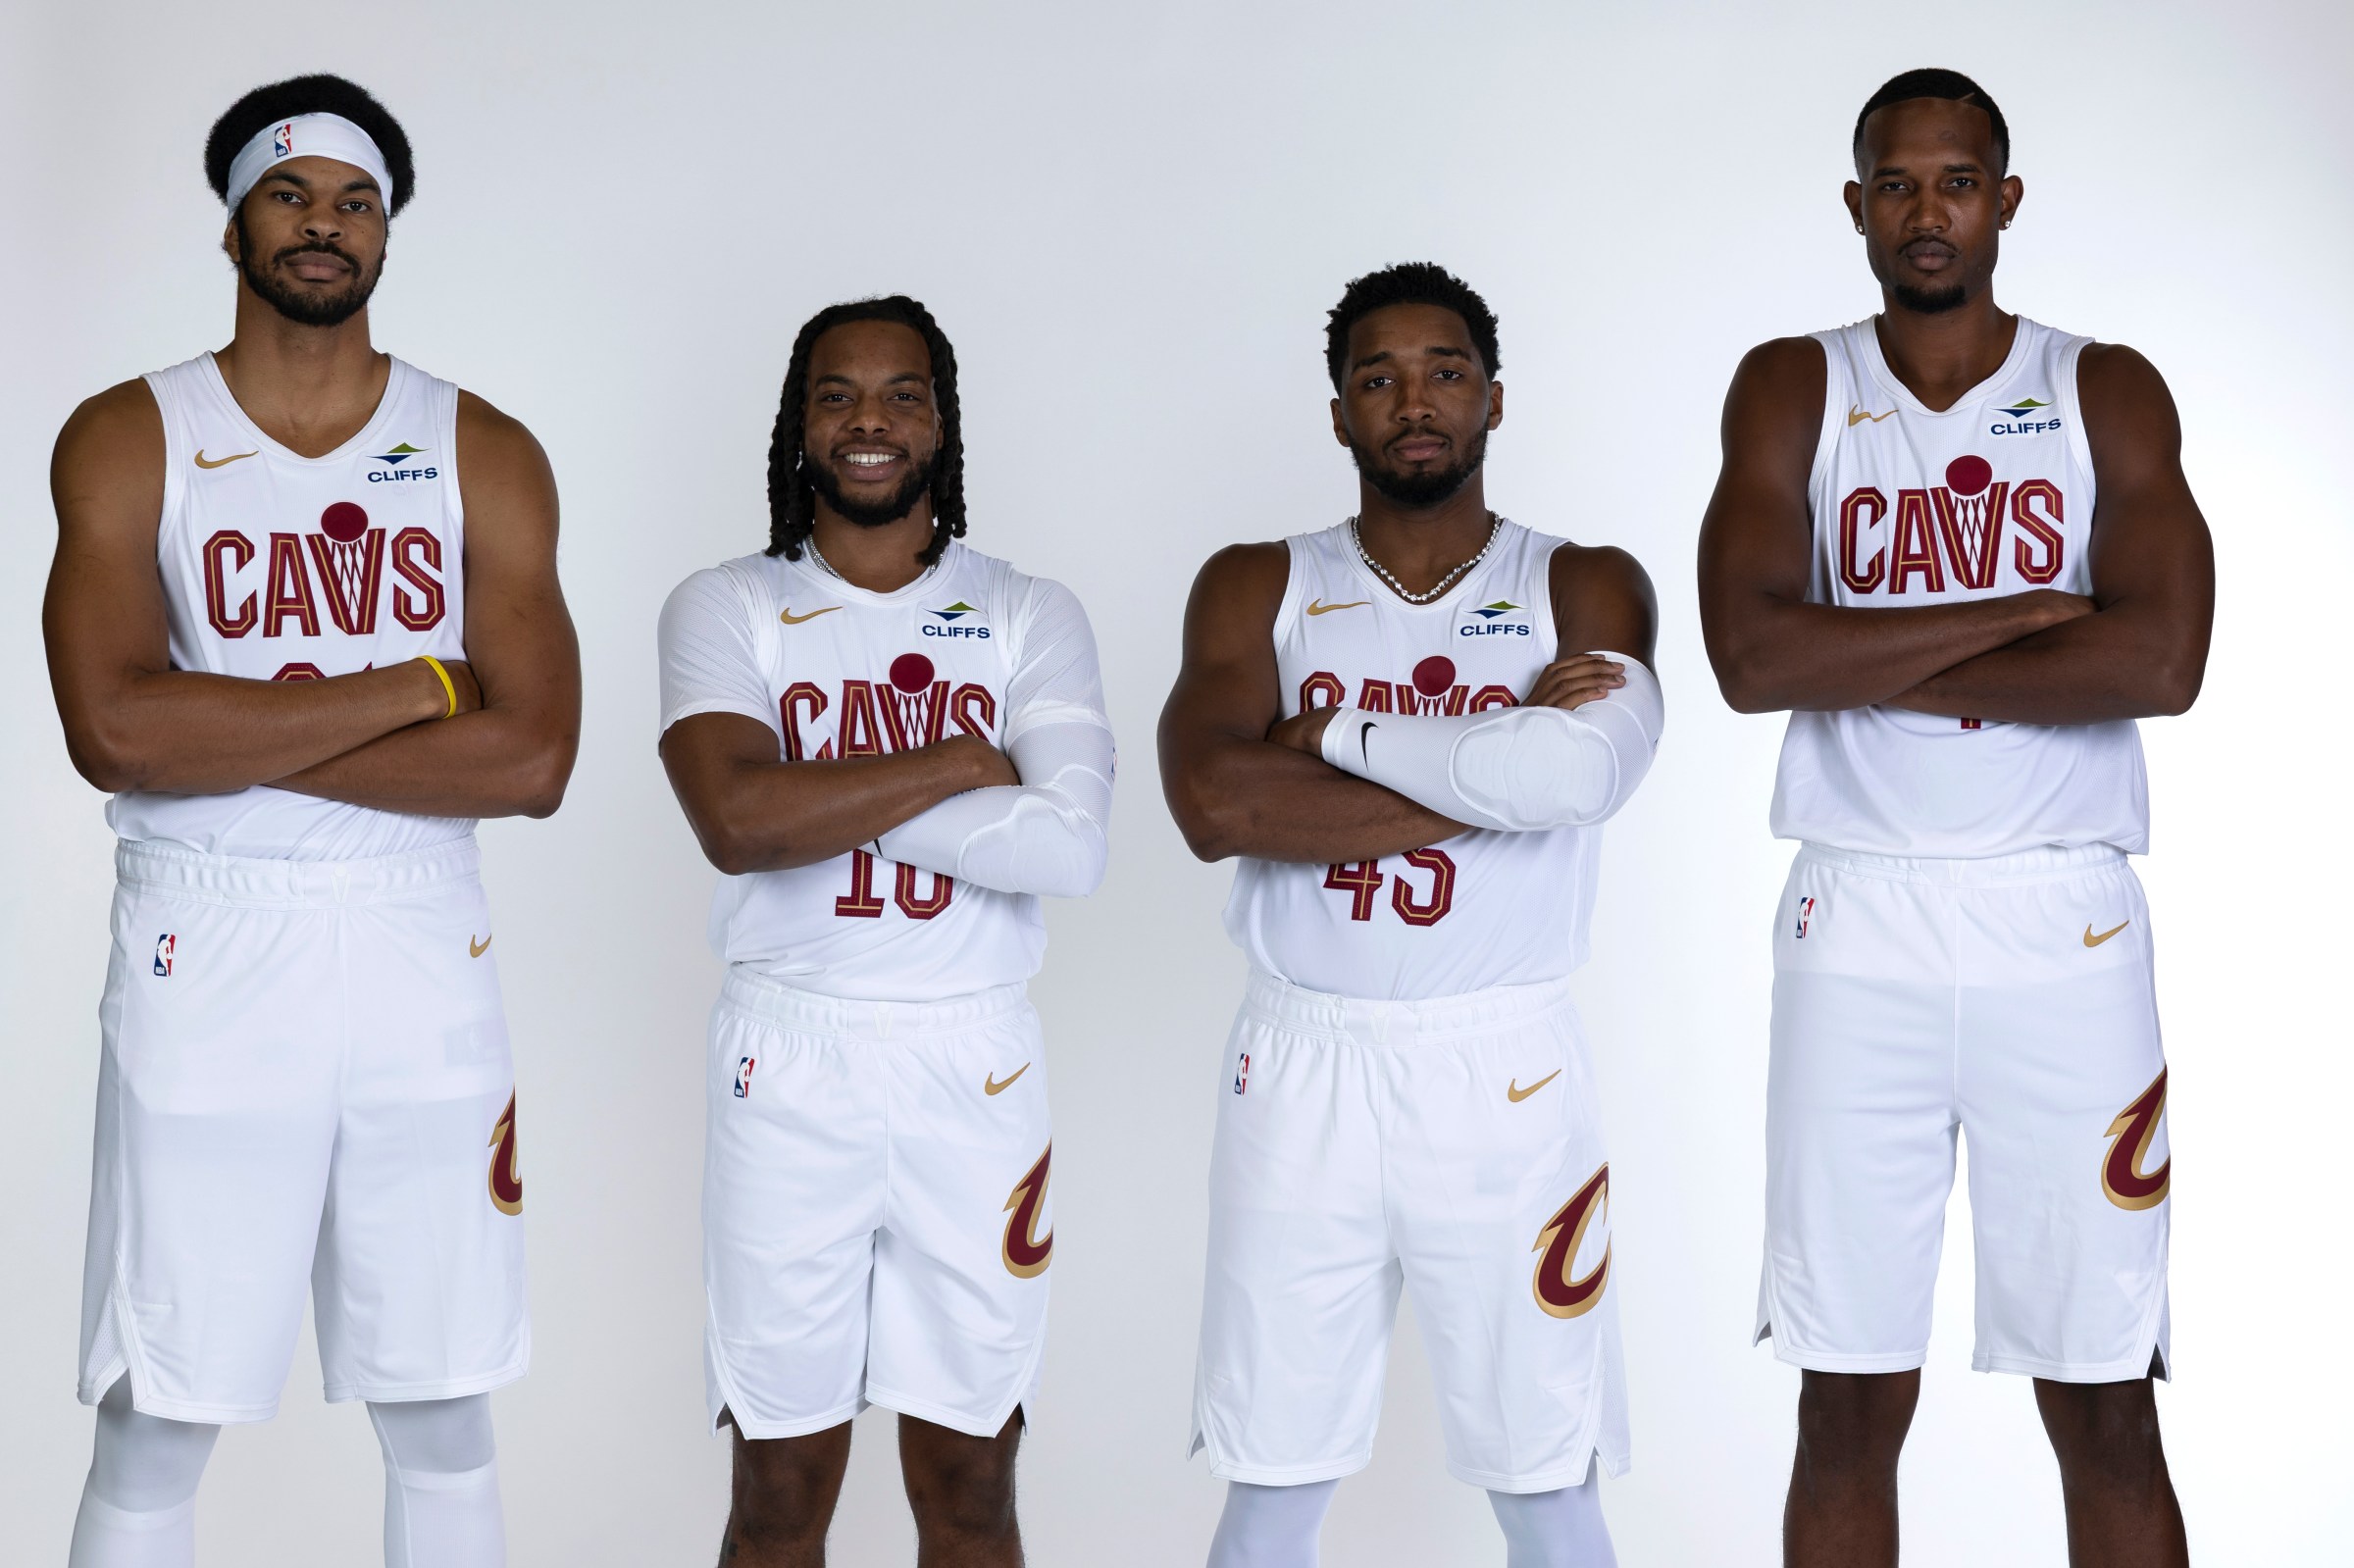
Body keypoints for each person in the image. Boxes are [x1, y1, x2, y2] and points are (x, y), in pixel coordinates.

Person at [43, 74, 580, 1568]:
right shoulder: (130, 434)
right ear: (234, 222)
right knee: (158, 1412)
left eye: (355, 202)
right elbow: (115, 731)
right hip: (206, 949)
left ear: (388, 236)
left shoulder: (482, 445)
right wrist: (417, 684)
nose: (323, 225)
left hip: (419, 944)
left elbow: (533, 759)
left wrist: (227, 725)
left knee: (446, 1409)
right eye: (292, 195)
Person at [1696, 69, 2210, 1568]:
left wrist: (1868, 645)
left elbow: (2161, 660)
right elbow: (1751, 657)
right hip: (1862, 914)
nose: (1930, 211)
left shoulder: (2103, 385)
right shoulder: (1796, 384)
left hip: (2065, 919)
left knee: (2105, 1395)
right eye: (1900, 185)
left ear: (2006, 200)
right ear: (1858, 207)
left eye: (1958, 180)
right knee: (1848, 1395)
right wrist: (2021, 620)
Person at [1158, 263, 1662, 1568]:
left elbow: (1580, 778)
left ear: (1495, 398)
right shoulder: (1255, 582)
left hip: (1503, 1069)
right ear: (1338, 415)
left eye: (1443, 371)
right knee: (1271, 1473)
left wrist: (1327, 742)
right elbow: (1213, 801)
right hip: (1301, 1065)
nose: (1414, 400)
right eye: (1377, 378)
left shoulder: (1587, 583)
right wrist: (1499, 764)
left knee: (1547, 1476)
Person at [657, 295, 1114, 1567]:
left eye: (902, 393)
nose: (869, 420)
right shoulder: (727, 605)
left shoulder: (1027, 610)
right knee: (780, 1484)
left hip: (973, 1061)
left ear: (942, 423)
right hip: (787, 1061)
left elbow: (1070, 844)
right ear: (797, 425)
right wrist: (965, 766)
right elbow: (739, 821)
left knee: (972, 1481)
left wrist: (828, 786)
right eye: (837, 393)